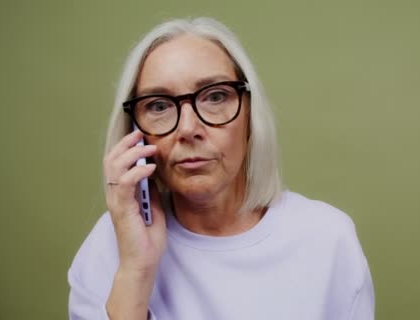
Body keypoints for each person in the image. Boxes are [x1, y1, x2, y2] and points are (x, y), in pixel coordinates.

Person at [68, 17, 375, 320]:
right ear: (135, 130)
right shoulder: (112, 245)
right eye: (159, 105)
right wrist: (136, 270)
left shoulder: (327, 239)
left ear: (250, 116)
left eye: (215, 97)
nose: (188, 129)